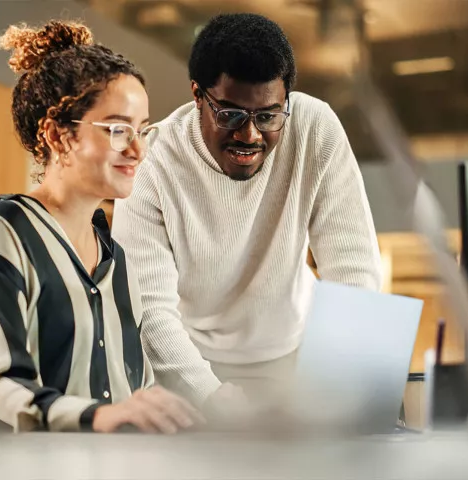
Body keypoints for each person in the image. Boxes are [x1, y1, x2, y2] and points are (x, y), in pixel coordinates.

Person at [0, 19, 202, 433]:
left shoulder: (118, 262)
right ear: (59, 136)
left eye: (143, 131)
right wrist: (98, 417)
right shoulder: (0, 230)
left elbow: (136, 393)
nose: (138, 149)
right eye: (118, 129)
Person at [112, 13, 383, 408]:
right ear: (197, 95)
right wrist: (214, 400)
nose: (250, 135)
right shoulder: (152, 162)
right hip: (190, 365)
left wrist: (335, 389)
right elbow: (150, 311)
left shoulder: (314, 128)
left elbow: (354, 271)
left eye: (268, 116)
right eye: (231, 115)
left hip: (295, 355)